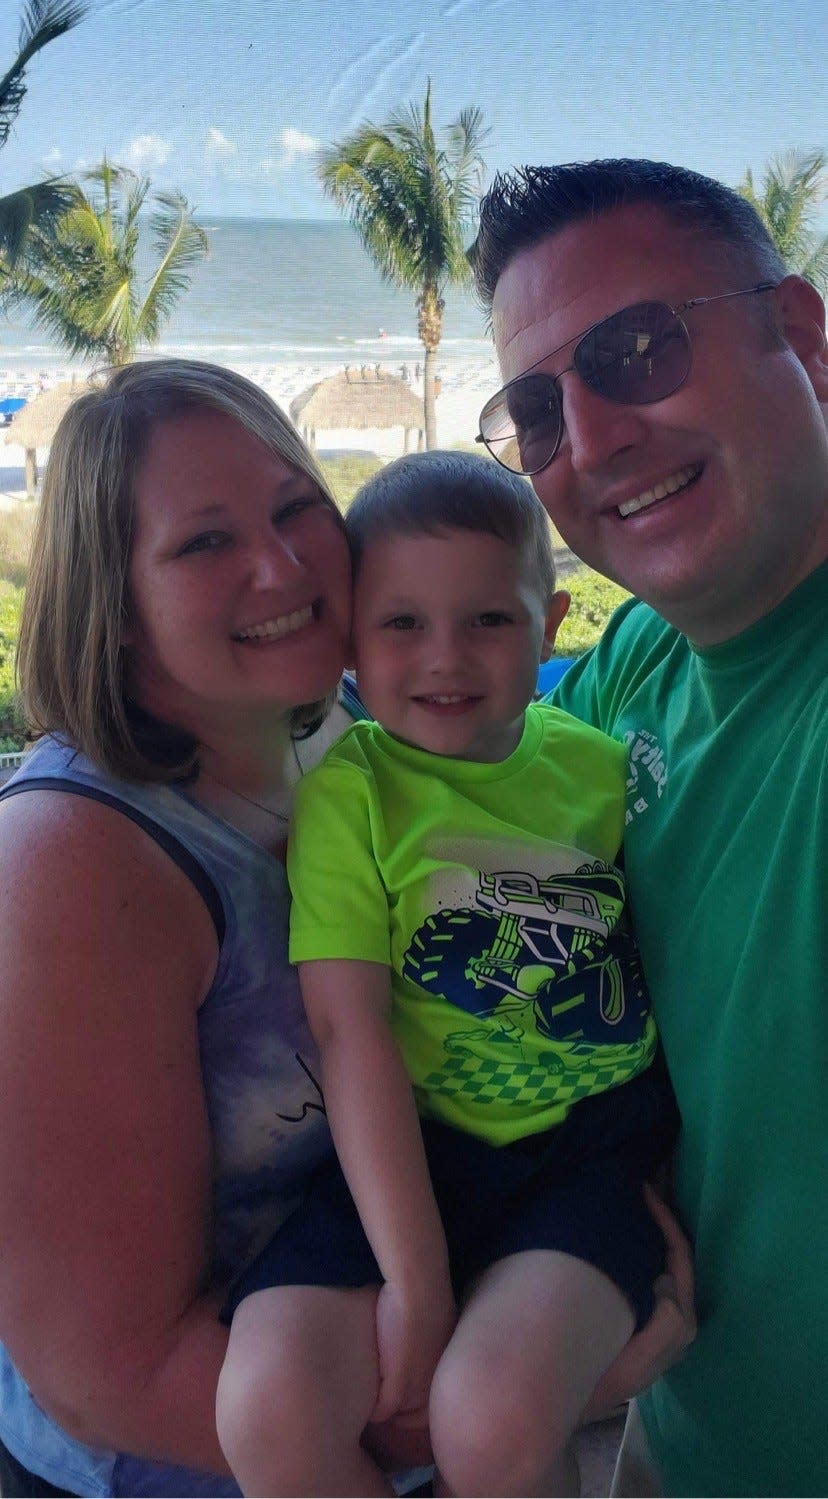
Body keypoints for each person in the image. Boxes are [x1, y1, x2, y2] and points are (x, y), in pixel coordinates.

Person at [215, 451, 679, 1499]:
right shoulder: (357, 795)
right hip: (411, 1148)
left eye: (489, 621)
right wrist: (418, 1281)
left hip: (588, 1150)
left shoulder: (600, 770)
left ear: (551, 621)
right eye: (401, 624)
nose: (445, 659)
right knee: (268, 1407)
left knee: (491, 1418)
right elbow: (351, 1034)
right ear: (348, 640)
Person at [471, 159, 828, 1499]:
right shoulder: (632, 666)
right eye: (539, 408)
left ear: (800, 338)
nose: (596, 436)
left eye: (636, 349)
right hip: (677, 1438)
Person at [0, 358, 357, 1497]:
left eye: (297, 506)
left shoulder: (343, 728)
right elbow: (112, 1370)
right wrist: (469, 1417)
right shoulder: (75, 865)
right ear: (116, 602)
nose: (281, 563)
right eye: (205, 543)